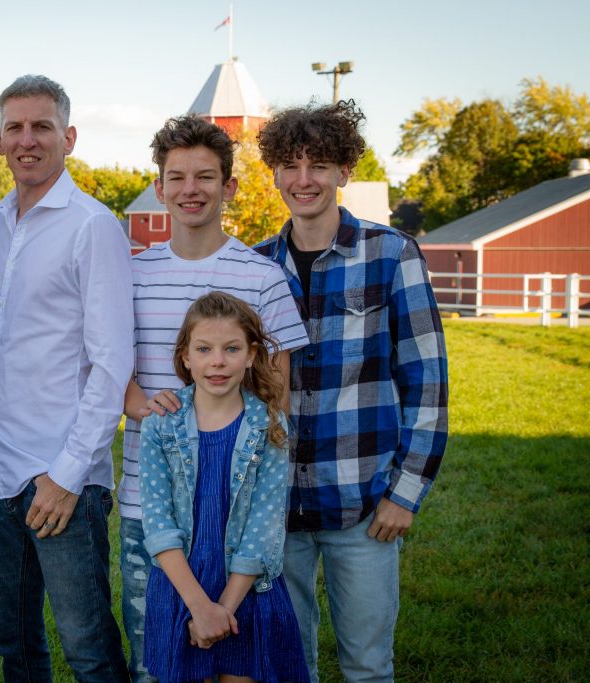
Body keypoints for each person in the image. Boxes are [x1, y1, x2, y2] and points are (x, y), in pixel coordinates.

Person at [253, 101, 449, 683]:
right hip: (274, 506)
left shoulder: (392, 254)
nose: (304, 179)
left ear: (344, 171)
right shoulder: (256, 266)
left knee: (366, 665)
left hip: (363, 504)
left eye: (319, 164)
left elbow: (428, 383)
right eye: (290, 165)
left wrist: (404, 494)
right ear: (275, 174)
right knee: (287, 666)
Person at [119, 115, 308, 682]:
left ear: (229, 186)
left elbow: (277, 393)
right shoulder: (130, 275)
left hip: (238, 505)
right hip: (152, 504)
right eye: (176, 178)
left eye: (205, 177)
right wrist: (140, 404)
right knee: (158, 664)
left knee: (242, 659)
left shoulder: (263, 276)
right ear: (159, 188)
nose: (190, 190)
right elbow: (104, 367)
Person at [0, 74, 132, 682]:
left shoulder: (93, 225)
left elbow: (112, 361)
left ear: (68, 137)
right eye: (14, 128)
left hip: (62, 473)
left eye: (42, 126)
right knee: (12, 643)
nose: (27, 140)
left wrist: (68, 474)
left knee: (88, 648)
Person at [139, 291, 310, 683]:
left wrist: (223, 611)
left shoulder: (269, 426)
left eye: (231, 349)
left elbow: (263, 528)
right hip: (181, 586)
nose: (217, 361)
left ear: (251, 355)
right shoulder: (160, 425)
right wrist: (201, 608)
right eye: (204, 349)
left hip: (245, 588)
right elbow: (158, 524)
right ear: (185, 357)